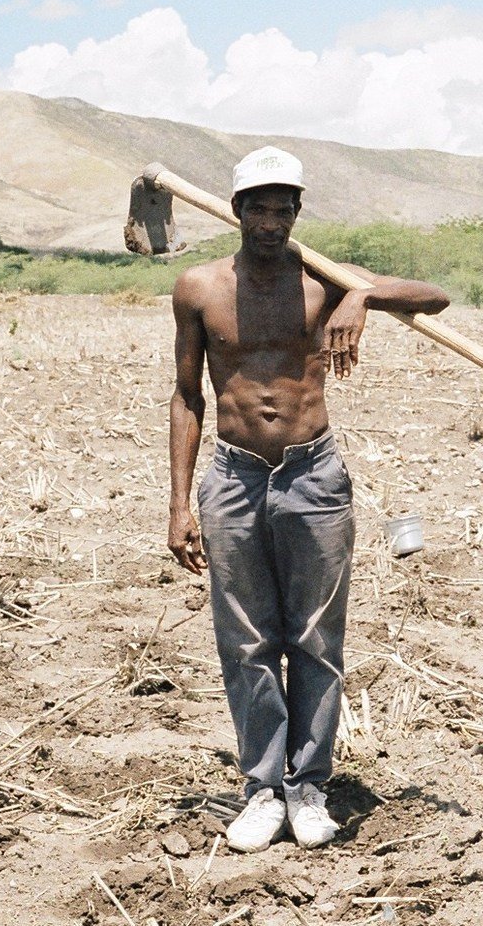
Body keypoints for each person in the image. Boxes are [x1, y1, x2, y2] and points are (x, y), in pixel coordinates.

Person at [168, 146, 450, 853]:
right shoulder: (198, 287)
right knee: (247, 641)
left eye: (284, 208)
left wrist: (362, 293)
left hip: (312, 476)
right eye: (258, 207)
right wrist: (179, 503)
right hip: (232, 477)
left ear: (297, 214)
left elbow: (435, 297)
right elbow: (187, 394)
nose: (271, 220)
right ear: (236, 213)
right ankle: (262, 790)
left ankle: (309, 787)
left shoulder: (325, 282)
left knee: (316, 641)